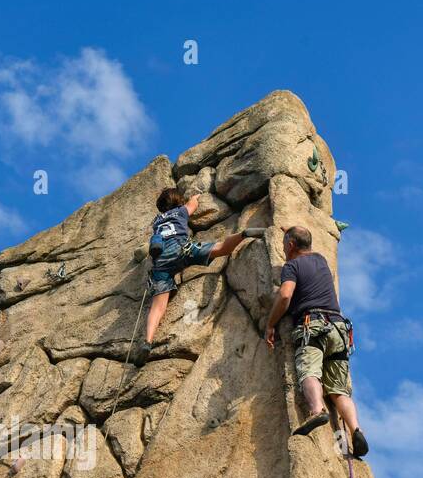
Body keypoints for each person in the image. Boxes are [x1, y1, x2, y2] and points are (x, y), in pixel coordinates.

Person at [265, 225, 368, 457]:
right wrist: (289, 230)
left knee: (309, 371)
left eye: (284, 244)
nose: (282, 248)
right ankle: (356, 429)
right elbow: (301, 239)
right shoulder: (321, 260)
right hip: (339, 328)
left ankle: (316, 411)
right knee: (339, 390)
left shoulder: (292, 266)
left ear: (290, 245)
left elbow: (284, 296)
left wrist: (270, 324)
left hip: (313, 324)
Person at [136, 187, 253, 364]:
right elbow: (194, 203)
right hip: (182, 249)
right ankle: (244, 234)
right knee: (221, 248)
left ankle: (148, 341)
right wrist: (196, 196)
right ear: (177, 200)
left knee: (157, 307)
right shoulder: (181, 211)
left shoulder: (157, 221)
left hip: (161, 261)